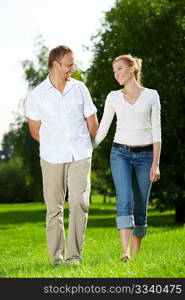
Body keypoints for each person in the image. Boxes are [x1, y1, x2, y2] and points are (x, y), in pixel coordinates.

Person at [25, 45, 98, 265]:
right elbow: (35, 130)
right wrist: (55, 144)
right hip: (51, 156)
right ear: (55, 64)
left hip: (80, 154)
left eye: (73, 65)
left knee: (78, 202)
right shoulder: (37, 95)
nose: (72, 69)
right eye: (68, 65)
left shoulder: (80, 88)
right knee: (54, 208)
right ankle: (57, 259)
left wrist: (87, 145)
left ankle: (74, 256)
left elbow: (92, 123)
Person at [93, 54, 161, 262]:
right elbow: (104, 127)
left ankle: (136, 254)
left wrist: (155, 164)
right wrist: (90, 146)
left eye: (120, 69)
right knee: (124, 200)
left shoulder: (151, 95)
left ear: (132, 69)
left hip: (146, 155)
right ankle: (125, 252)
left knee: (140, 204)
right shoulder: (113, 96)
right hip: (120, 154)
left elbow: (157, 131)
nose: (117, 75)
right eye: (114, 71)